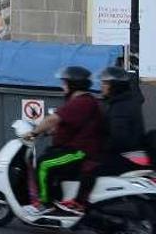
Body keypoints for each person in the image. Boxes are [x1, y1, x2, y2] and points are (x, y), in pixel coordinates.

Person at [23, 66, 104, 217]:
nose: (62, 86)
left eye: (65, 83)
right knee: (49, 157)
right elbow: (70, 124)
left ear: (74, 84)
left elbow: (54, 118)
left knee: (44, 164)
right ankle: (56, 201)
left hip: (79, 152)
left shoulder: (81, 102)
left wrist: (34, 132)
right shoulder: (82, 101)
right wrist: (49, 132)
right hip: (72, 147)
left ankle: (44, 204)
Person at [76, 67, 146, 210]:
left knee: (88, 169)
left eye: (106, 83)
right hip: (131, 153)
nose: (102, 86)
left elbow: (119, 137)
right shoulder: (128, 101)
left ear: (115, 86)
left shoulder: (119, 107)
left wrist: (101, 149)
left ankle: (79, 204)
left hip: (123, 156)